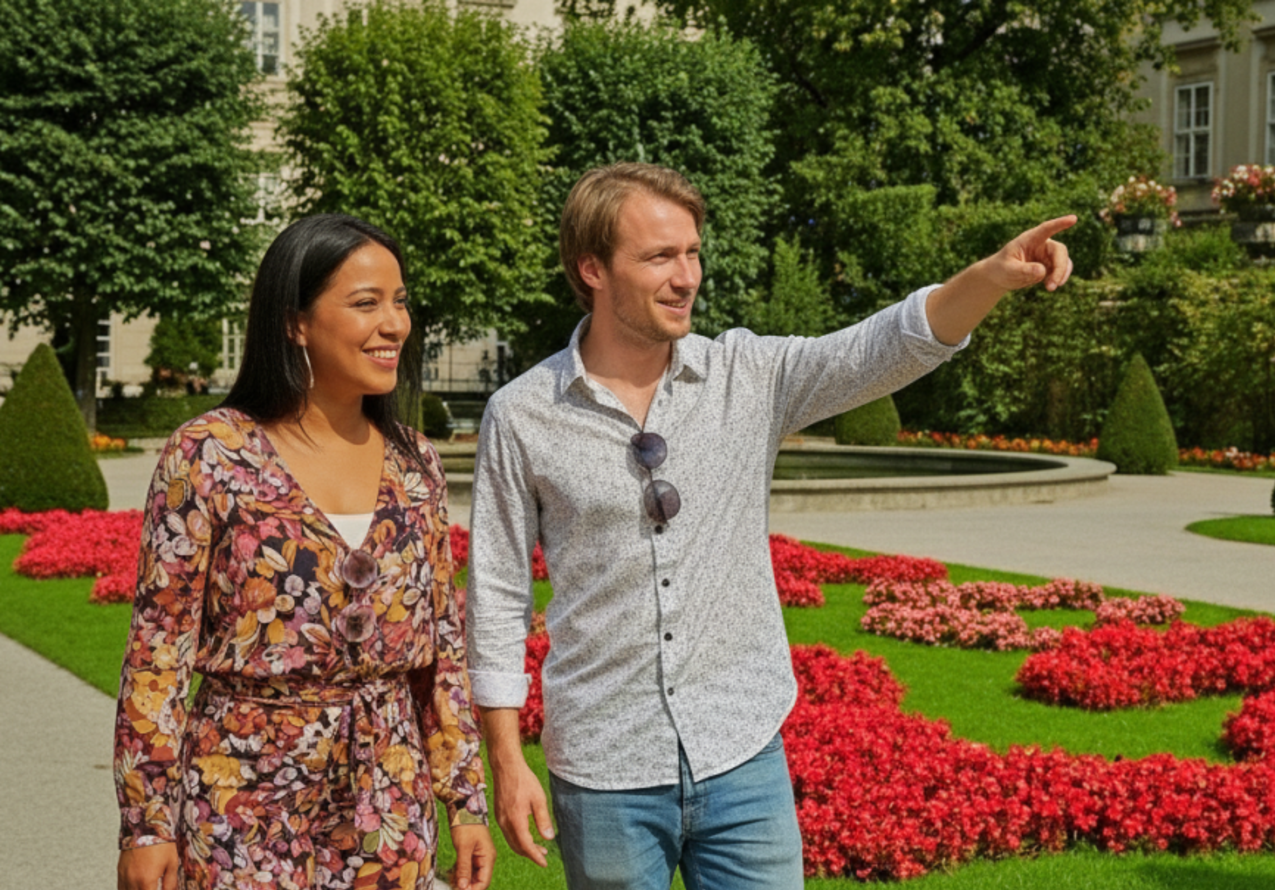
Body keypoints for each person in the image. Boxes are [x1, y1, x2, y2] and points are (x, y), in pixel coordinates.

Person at [466, 162, 1074, 889]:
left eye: (693, 252)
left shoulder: (746, 376)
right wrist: (506, 760)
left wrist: (988, 279)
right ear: (592, 268)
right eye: (659, 257)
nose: (686, 277)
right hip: (605, 768)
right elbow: (498, 597)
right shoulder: (522, 415)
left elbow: (882, 347)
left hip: (742, 754)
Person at [113, 214, 495, 890]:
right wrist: (147, 825)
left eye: (400, 302)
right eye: (366, 303)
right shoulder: (210, 455)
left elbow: (441, 650)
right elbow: (158, 652)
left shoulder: (416, 464)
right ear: (295, 323)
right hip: (240, 798)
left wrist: (464, 800)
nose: (394, 324)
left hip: (389, 800)